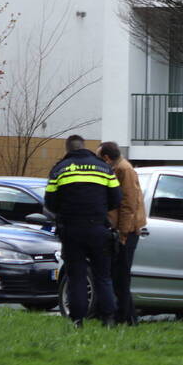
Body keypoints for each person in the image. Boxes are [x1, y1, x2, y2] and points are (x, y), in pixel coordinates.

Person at [44, 134, 121, 327]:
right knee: (103, 276)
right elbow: (116, 199)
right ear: (85, 147)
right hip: (98, 228)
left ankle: (77, 319)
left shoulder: (60, 169)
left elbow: (50, 202)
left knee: (76, 276)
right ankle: (109, 319)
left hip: (72, 229)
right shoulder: (104, 168)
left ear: (67, 149)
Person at [97, 141, 146, 326]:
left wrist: (123, 233)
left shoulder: (123, 170)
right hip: (122, 229)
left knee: (121, 276)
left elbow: (128, 204)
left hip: (126, 231)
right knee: (118, 276)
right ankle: (130, 318)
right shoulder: (120, 168)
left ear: (106, 158)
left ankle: (123, 318)